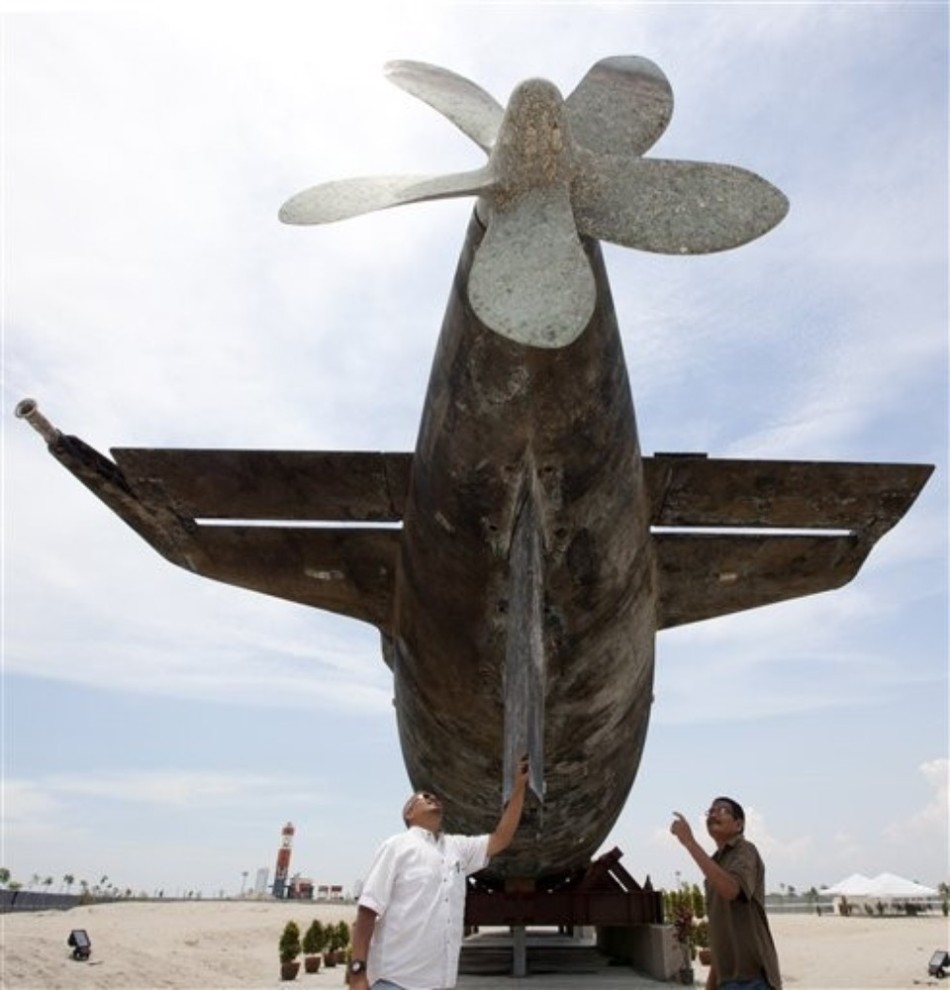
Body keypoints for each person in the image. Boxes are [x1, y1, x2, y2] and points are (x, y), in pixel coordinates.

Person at [349, 757, 530, 990]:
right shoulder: (397, 846)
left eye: (434, 796)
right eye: (423, 797)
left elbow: (500, 838)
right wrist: (357, 973)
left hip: (440, 983)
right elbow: (368, 909)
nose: (432, 797)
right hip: (395, 982)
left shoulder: (457, 848)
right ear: (409, 814)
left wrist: (519, 788)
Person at [670, 797, 781, 990]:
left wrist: (689, 842)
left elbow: (732, 890)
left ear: (739, 824)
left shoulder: (745, 851)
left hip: (753, 980)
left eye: (721, 810)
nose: (713, 814)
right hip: (728, 980)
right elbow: (723, 933)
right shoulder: (715, 864)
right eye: (710, 811)